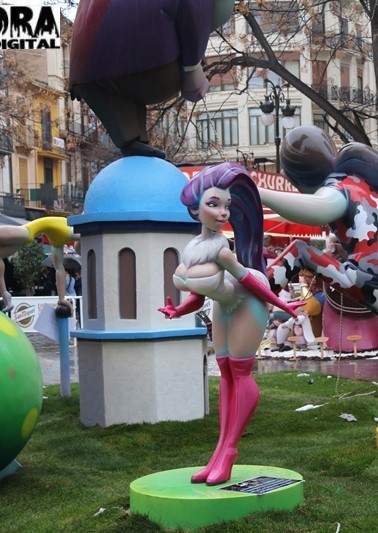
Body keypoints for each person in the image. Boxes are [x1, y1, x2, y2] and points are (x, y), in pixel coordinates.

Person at [258, 127, 378, 390]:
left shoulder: (338, 188)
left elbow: (315, 210)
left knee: (300, 251)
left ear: (296, 177)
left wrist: (259, 193)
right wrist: (362, 241)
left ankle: (257, 294)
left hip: (356, 276)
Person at [157, 162, 303, 486]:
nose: (223, 212)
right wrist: (178, 311)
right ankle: (219, 451)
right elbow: (198, 294)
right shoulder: (193, 248)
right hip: (225, 302)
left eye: (226, 205)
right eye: (214, 204)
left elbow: (248, 281)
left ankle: (230, 451)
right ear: (195, 209)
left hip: (249, 299)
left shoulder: (222, 249)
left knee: (240, 371)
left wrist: (281, 304)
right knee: (224, 371)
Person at [69, 0, 234, 158]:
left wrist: (76, 77)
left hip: (87, 75)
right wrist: (192, 67)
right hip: (154, 67)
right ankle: (133, 142)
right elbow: (193, 10)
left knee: (117, 101)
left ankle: (131, 140)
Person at [0, 217, 79, 313]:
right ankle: (6, 296)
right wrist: (61, 299)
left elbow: (59, 270)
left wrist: (61, 299)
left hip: (25, 233)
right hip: (24, 234)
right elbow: (59, 269)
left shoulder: (60, 241)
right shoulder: (68, 233)